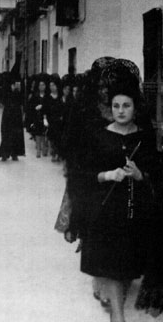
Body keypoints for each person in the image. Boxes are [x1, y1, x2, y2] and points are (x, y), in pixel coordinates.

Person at [79, 82, 162, 322]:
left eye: (126, 105)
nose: (121, 110)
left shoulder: (145, 138)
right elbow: (84, 174)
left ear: (135, 109)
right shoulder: (100, 136)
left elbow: (156, 175)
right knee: (112, 265)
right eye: (116, 106)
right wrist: (108, 175)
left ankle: (116, 307)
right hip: (107, 211)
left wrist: (140, 175)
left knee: (128, 266)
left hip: (138, 212)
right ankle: (117, 316)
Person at [0, 77, 25, 162]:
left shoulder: (19, 90)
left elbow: (21, 101)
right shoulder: (6, 90)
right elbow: (3, 100)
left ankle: (14, 153)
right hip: (8, 114)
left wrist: (18, 91)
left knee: (16, 133)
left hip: (16, 114)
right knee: (6, 133)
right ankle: (5, 153)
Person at [27, 75, 49, 158]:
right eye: (40, 85)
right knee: (38, 133)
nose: (41, 87)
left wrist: (43, 107)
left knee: (44, 133)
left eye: (43, 85)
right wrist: (35, 108)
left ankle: (44, 148)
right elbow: (31, 106)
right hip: (37, 116)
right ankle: (38, 150)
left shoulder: (47, 96)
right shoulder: (35, 96)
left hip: (45, 116)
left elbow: (48, 105)